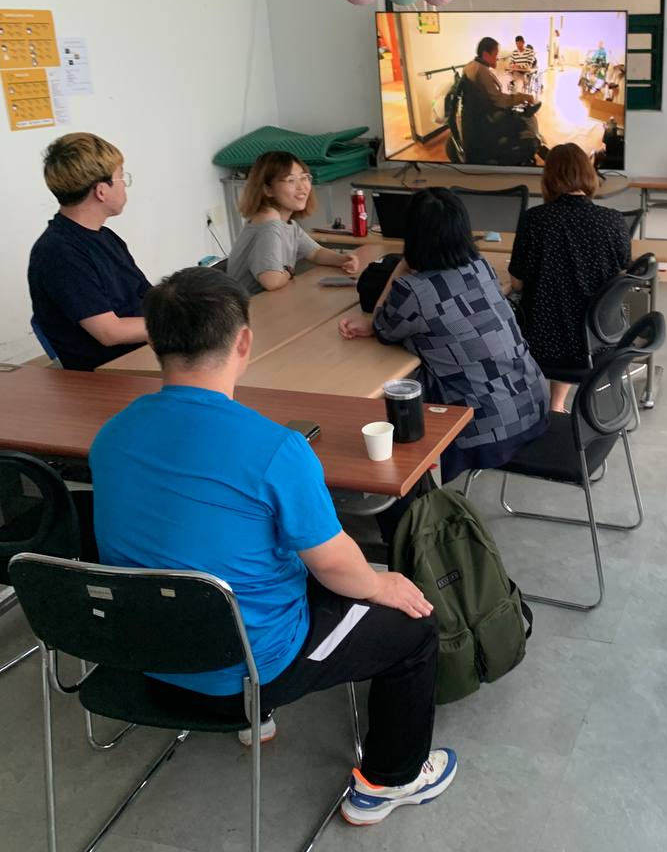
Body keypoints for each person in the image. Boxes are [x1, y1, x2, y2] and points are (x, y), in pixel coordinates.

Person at [90, 267, 456, 826]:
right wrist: (384, 583)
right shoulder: (277, 449)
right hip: (250, 666)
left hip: (141, 648)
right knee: (413, 629)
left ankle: (254, 723)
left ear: (156, 342)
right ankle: (388, 780)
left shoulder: (110, 435)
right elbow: (336, 567)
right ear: (243, 341)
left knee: (222, 561)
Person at [339, 188, 549, 497]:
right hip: (531, 403)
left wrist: (402, 264)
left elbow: (383, 326)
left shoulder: (414, 290)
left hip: (487, 428)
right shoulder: (481, 267)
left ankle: (400, 501)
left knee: (394, 404)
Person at [509, 144, 631, 412]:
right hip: (600, 343)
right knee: (573, 307)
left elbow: (517, 283)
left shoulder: (535, 220)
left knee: (542, 308)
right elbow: (621, 280)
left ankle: (542, 407)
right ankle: (560, 404)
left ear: (549, 178)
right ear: (588, 174)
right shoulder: (613, 220)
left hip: (542, 345)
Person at [27, 132, 151, 371]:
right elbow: (109, 332)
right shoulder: (59, 253)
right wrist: (180, 327)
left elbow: (147, 296)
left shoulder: (105, 237)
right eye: (121, 177)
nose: (124, 184)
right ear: (101, 191)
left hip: (142, 354)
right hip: (108, 373)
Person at [227, 151, 358, 295]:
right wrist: (289, 270)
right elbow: (272, 281)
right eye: (291, 180)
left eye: (304, 177)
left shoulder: (288, 224)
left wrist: (343, 260)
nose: (301, 187)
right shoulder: (269, 221)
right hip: (250, 310)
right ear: (268, 189)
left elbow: (315, 253)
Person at [460, 37, 546, 165]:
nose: (497, 58)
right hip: (488, 117)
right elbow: (498, 99)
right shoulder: (481, 71)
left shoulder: (470, 66)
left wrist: (517, 97)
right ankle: (527, 150)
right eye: (495, 55)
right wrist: (523, 97)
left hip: (478, 116)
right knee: (523, 119)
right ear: (485, 54)